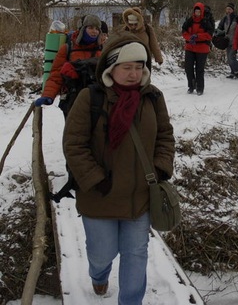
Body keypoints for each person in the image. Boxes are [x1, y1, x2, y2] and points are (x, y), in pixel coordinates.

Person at [62, 37, 175, 304]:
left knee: (136, 253)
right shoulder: (90, 98)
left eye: (139, 66)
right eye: (127, 67)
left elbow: (165, 137)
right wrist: (95, 179)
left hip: (139, 198)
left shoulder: (153, 97)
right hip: (101, 195)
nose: (134, 73)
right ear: (110, 68)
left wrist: (160, 167)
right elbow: (74, 144)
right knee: (102, 253)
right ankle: (99, 276)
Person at [34, 14, 103, 112]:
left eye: (97, 29)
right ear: (83, 29)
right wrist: (48, 95)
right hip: (72, 99)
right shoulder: (67, 49)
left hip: (96, 99)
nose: (94, 31)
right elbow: (56, 74)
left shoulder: (102, 50)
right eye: (90, 27)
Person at [182, 2, 214, 95]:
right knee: (188, 68)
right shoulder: (189, 20)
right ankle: (191, 86)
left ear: (202, 12)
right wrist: (189, 38)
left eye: (199, 11)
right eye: (196, 11)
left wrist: (197, 36)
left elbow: (209, 35)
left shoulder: (206, 22)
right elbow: (184, 31)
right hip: (190, 47)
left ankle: (200, 87)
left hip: (202, 48)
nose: (197, 13)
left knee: (199, 69)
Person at [216, 3, 238, 79]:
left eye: (230, 9)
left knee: (231, 57)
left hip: (235, 41)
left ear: (233, 10)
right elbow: (220, 28)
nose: (228, 11)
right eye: (227, 9)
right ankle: (233, 72)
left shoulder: (237, 18)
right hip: (227, 41)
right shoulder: (224, 19)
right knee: (229, 58)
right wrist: (218, 33)